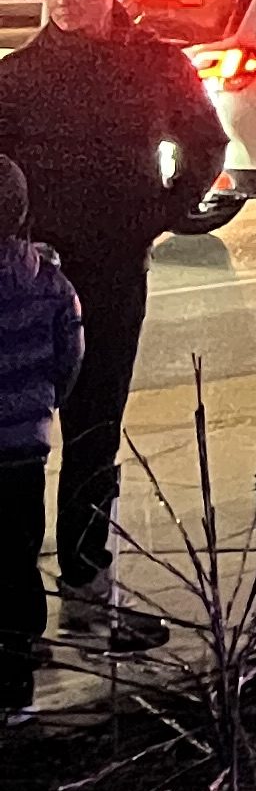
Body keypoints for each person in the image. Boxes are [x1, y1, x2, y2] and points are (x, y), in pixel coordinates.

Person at [0, 0, 225, 644]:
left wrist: (158, 214)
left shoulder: (157, 65)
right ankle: (15, 614)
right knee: (20, 442)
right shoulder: (16, 77)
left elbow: (207, 142)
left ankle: (89, 592)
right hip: (31, 286)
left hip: (113, 273)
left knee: (95, 433)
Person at [0, 156, 86, 715]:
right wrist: (44, 403)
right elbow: (70, 358)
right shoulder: (50, 283)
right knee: (16, 558)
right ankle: (16, 677)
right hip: (23, 451)